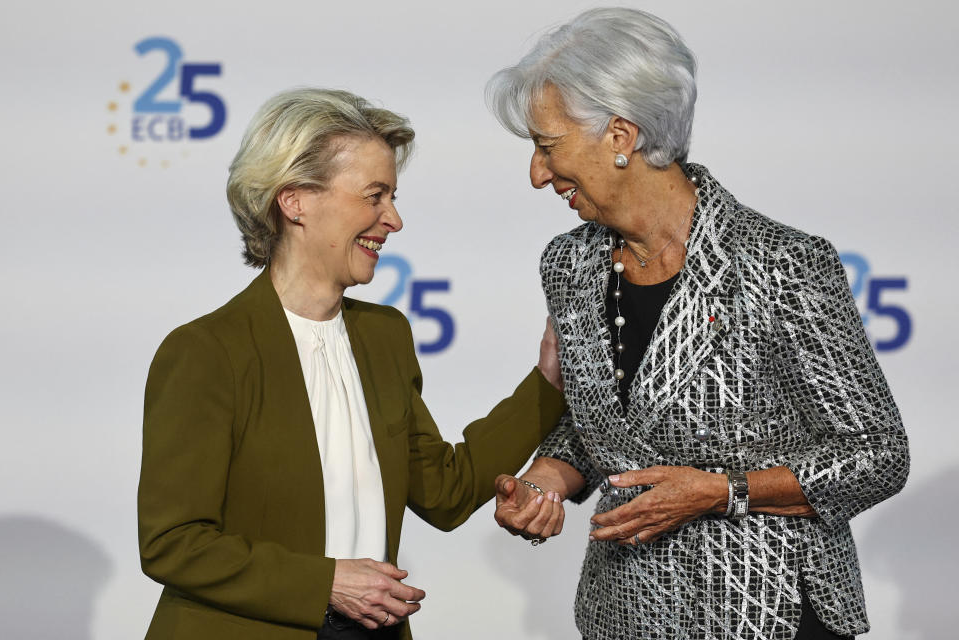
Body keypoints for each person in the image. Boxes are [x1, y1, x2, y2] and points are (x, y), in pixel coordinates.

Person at [485, 8, 909, 640]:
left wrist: (722, 491)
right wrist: (550, 476)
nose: (537, 174)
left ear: (621, 136)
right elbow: (615, 424)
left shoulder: (781, 264)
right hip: (624, 611)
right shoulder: (569, 263)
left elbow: (878, 454)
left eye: (548, 148)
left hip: (765, 609)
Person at [137, 88, 566, 640]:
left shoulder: (385, 335)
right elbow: (172, 542)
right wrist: (325, 583)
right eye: (374, 196)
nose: (394, 219)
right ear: (295, 201)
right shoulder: (206, 352)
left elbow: (445, 491)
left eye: (391, 196)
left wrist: (548, 383)